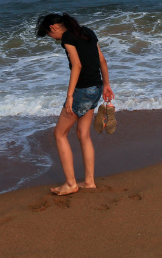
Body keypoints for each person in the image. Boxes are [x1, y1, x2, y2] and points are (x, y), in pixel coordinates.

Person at [36, 13, 116, 195]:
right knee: (83, 134)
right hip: (95, 87)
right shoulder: (86, 32)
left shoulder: (67, 37)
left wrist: (70, 95)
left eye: (50, 35)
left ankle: (71, 184)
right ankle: (89, 182)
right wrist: (106, 84)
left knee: (59, 134)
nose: (53, 39)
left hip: (82, 90)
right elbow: (102, 60)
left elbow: (77, 65)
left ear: (54, 28)